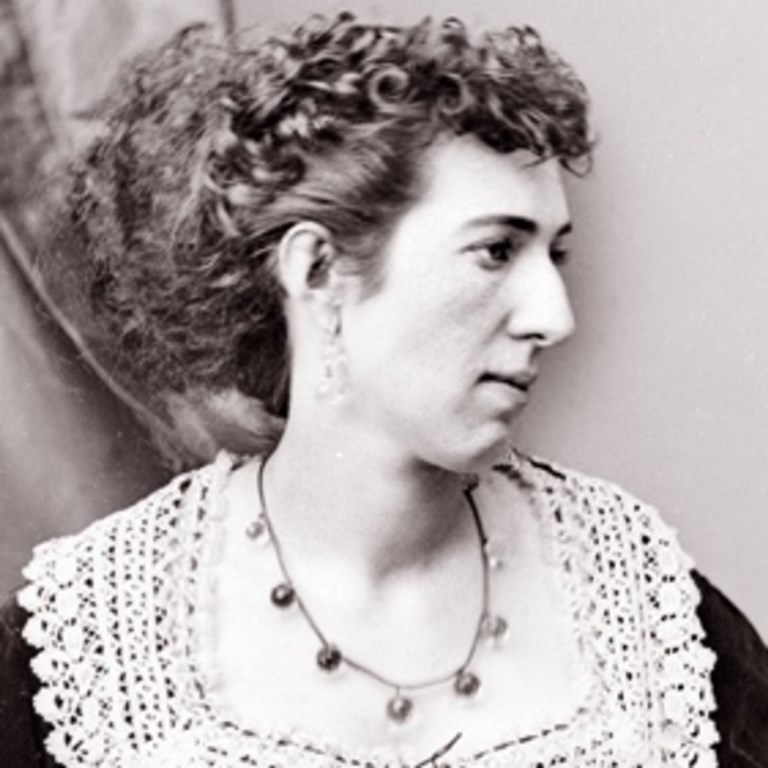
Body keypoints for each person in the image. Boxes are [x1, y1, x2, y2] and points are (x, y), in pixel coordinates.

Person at [1, 12, 767, 767]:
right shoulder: (85, 643)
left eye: (553, 256)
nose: (553, 318)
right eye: (496, 251)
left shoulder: (643, 611)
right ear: (317, 272)